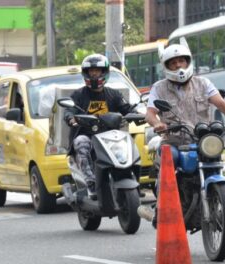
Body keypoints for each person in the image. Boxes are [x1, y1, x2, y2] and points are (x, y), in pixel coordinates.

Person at [137, 38, 225, 227]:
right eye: (173, 63)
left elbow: (220, 103)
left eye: (182, 61)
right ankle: (161, 209)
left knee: (217, 158)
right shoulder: (159, 88)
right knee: (170, 158)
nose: (178, 66)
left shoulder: (203, 83)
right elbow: (150, 114)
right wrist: (158, 124)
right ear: (166, 66)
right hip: (174, 140)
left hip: (202, 139)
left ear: (188, 61)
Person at [64, 54, 133, 199]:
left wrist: (138, 114)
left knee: (128, 143)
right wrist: (71, 118)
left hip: (110, 137)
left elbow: (126, 108)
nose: (94, 74)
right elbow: (69, 110)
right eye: (91, 71)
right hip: (87, 135)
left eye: (98, 71)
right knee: (80, 142)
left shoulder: (113, 94)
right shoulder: (78, 95)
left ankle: (130, 180)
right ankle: (90, 182)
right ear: (86, 73)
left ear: (104, 72)